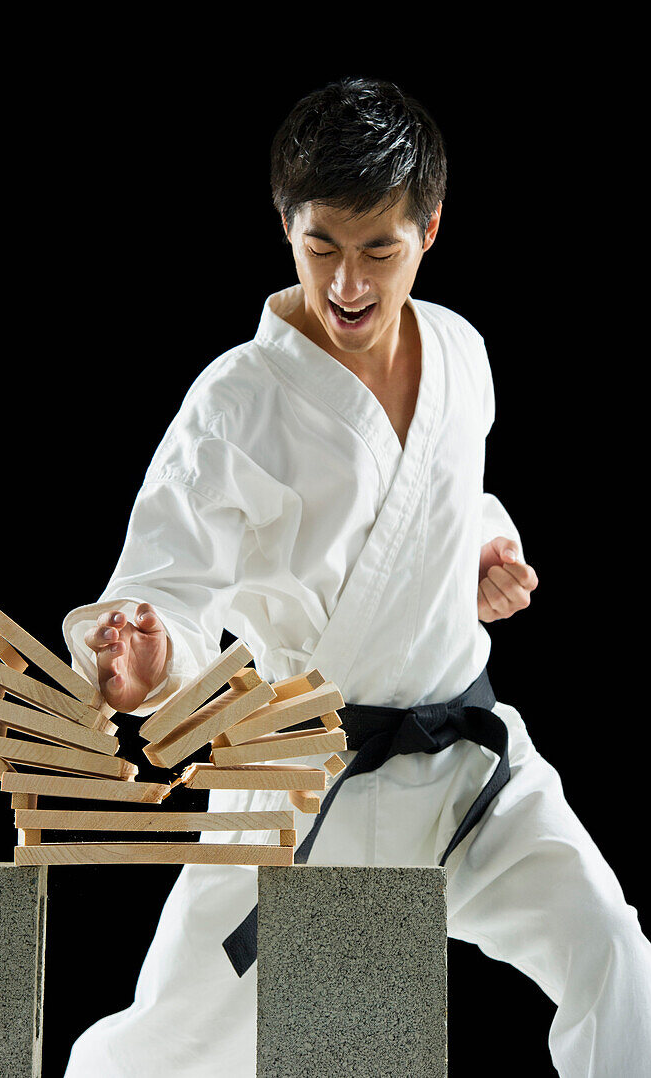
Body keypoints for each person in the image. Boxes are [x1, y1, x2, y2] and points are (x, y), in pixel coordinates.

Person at [61, 78, 651, 1076]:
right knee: (167, 1048)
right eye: (322, 244)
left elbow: (448, 492)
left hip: (468, 760)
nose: (348, 281)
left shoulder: (462, 351)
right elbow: (170, 584)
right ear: (286, 224)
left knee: (612, 949)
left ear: (430, 227)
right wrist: (150, 652)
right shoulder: (236, 403)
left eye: (380, 247)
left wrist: (482, 550)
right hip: (309, 783)